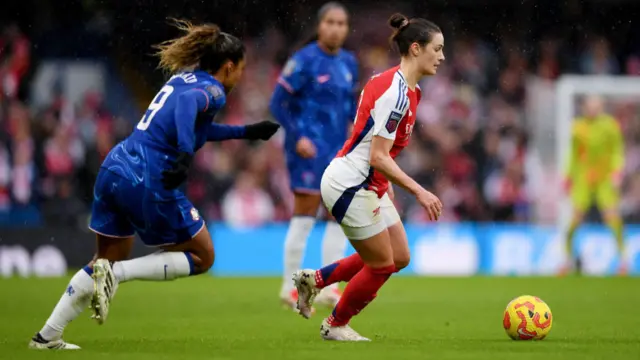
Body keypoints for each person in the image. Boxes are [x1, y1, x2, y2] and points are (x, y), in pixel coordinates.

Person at [29, 20, 280, 350]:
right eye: (241, 69)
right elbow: (191, 111)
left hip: (117, 165)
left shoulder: (181, 79)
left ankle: (46, 336)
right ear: (229, 66)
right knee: (203, 256)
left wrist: (246, 132)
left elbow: (195, 126)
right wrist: (185, 155)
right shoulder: (214, 90)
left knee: (103, 260)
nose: (240, 76)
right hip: (148, 175)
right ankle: (117, 277)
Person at [292, 13, 445, 341]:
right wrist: (420, 191)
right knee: (381, 265)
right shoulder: (397, 94)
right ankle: (335, 325)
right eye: (438, 49)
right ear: (416, 49)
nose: (442, 57)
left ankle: (315, 280)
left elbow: (365, 138)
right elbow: (377, 154)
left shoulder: (402, 88)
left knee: (399, 257)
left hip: (367, 181)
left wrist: (384, 181)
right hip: (350, 184)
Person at [269, 2, 359, 309]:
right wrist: (298, 137)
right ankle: (287, 286)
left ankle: (330, 286)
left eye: (342, 23)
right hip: (307, 150)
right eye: (331, 22)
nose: (336, 28)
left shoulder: (349, 62)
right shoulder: (304, 60)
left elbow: (349, 108)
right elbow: (278, 103)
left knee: (338, 217)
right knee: (305, 215)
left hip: (338, 152)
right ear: (320, 26)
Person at [562, 95, 625, 275]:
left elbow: (617, 150)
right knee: (575, 219)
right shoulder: (578, 127)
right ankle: (567, 260)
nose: (592, 109)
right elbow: (573, 155)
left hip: (604, 177)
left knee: (612, 217)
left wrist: (617, 171)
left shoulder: (610, 125)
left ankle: (623, 260)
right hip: (583, 178)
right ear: (584, 107)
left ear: (601, 107)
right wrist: (568, 176)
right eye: (589, 106)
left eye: (595, 106)